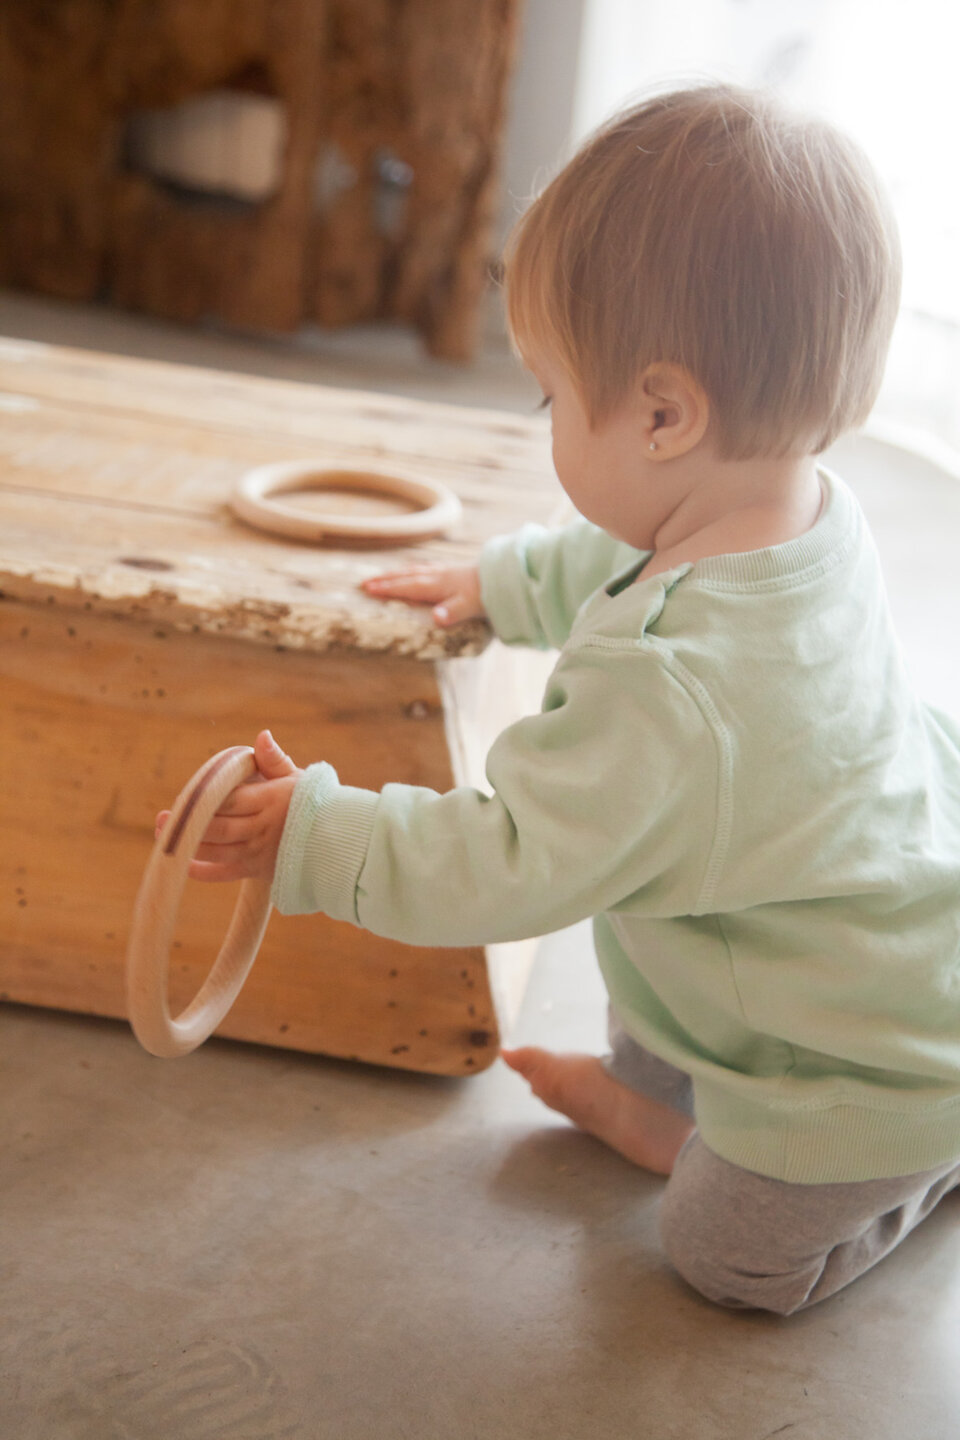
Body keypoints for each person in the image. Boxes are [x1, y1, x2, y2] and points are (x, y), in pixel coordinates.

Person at [158, 84, 960, 1315]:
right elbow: (623, 550)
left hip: (858, 1049)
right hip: (823, 912)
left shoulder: (676, 694)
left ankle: (917, 1157)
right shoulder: (788, 503)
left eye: (545, 393)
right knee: (662, 959)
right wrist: (502, 580)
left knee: (729, 1257)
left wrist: (314, 837)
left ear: (661, 412)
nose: (539, 417)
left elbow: (509, 859)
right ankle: (669, 1094)